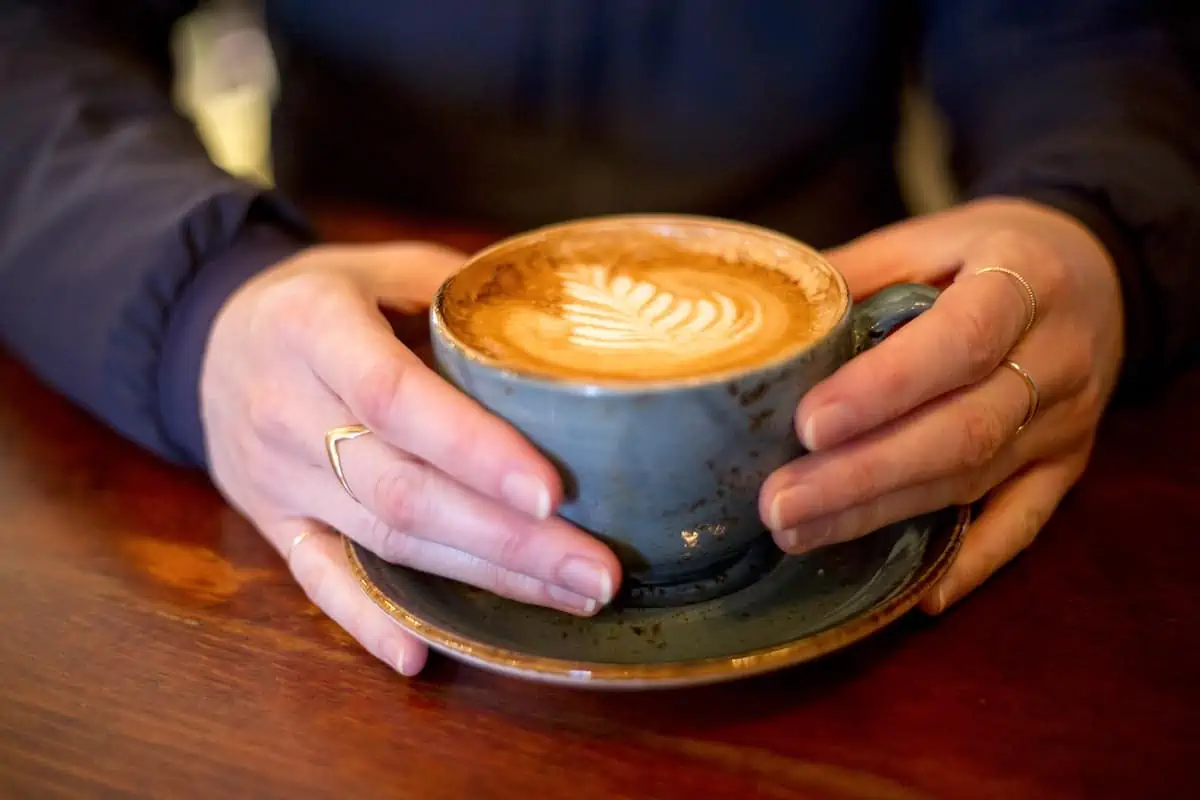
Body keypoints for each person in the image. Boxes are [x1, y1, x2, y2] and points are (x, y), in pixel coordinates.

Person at [1, 1, 1197, 677]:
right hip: (360, 362)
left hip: (867, 379)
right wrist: (196, 300)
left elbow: (1087, 37)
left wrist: (1095, 219)